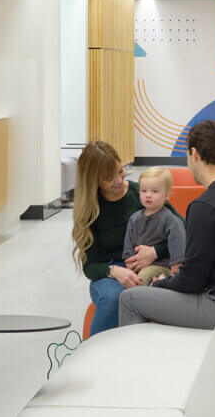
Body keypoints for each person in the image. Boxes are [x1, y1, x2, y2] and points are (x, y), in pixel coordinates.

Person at [118, 120, 215, 330]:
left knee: (129, 299)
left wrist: (161, 282)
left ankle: (133, 362)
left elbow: (191, 281)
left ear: (195, 154)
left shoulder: (204, 206)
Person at [71, 141, 173, 334]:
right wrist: (114, 271)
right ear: (95, 182)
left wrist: (154, 251)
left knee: (148, 296)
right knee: (114, 298)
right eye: (110, 178)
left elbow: (181, 231)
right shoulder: (90, 210)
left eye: (120, 171)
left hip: (151, 267)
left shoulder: (142, 194)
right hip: (109, 275)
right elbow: (90, 267)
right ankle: (94, 359)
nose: (119, 180)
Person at [123, 167, 185, 286]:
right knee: (129, 279)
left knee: (141, 279)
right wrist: (130, 262)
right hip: (138, 264)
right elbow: (128, 244)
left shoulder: (170, 219)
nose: (148, 195)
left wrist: (176, 265)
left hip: (162, 265)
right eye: (144, 191)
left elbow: (178, 243)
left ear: (166, 195)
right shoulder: (134, 219)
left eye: (154, 191)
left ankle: (138, 303)